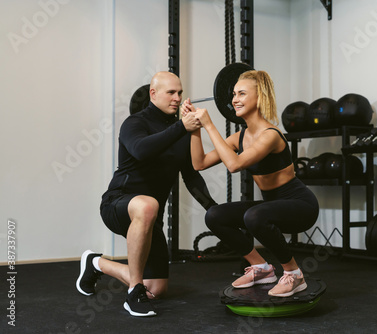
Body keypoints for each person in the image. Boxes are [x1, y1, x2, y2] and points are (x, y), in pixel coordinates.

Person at [76, 71, 217, 317]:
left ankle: (96, 264)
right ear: (153, 94)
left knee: (156, 289)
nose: (177, 97)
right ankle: (133, 294)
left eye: (180, 92)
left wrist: (214, 210)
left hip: (150, 218)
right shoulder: (135, 123)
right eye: (171, 92)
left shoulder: (182, 131)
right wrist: (181, 127)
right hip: (118, 204)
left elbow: (191, 176)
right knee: (149, 204)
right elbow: (142, 150)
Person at [182, 70, 319, 297]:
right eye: (234, 94)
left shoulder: (271, 135)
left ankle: (294, 274)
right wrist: (195, 127)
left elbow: (234, 165)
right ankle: (261, 268)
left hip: (301, 206)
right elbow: (200, 162)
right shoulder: (240, 137)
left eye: (242, 93)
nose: (235, 99)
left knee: (254, 216)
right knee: (215, 215)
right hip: (270, 207)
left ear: (260, 97)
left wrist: (209, 125)